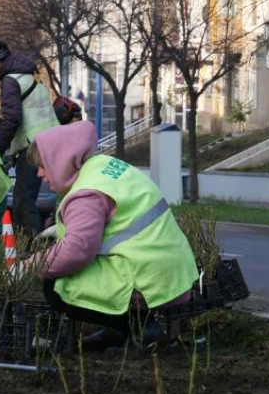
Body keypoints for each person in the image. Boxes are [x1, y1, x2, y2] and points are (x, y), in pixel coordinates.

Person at [27, 121, 198, 350]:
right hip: (172, 276)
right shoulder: (105, 167)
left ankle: (139, 327)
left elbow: (75, 252)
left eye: (43, 166)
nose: (39, 174)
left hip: (150, 287)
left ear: (60, 160)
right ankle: (122, 329)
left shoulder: (86, 193)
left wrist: (27, 267)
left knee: (56, 286)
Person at [0, 39, 59, 236]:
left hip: (34, 146)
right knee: (55, 195)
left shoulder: (10, 80)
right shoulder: (29, 75)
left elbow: (13, 118)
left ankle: (32, 254)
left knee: (23, 202)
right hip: (51, 140)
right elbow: (28, 111)